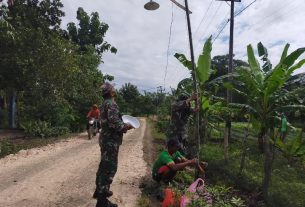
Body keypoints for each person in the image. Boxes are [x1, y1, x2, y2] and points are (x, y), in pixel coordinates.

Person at [93, 82, 134, 207]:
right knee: (109, 168)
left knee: (104, 165)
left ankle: (100, 190)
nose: (115, 90)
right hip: (110, 141)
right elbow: (114, 123)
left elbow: (109, 121)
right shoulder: (111, 104)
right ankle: (102, 202)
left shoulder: (104, 104)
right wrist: (126, 126)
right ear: (111, 92)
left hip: (105, 139)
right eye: (113, 89)